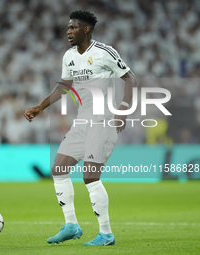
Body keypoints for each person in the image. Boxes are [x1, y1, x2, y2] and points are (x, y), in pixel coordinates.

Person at [24, 10, 136, 246]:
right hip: (82, 121)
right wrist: (40, 107)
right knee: (58, 169)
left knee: (90, 176)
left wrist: (124, 108)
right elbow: (64, 85)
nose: (68, 32)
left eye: (73, 27)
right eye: (67, 28)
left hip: (102, 121)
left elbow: (130, 78)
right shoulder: (69, 56)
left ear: (86, 29)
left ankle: (106, 234)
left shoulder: (104, 52)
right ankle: (71, 225)